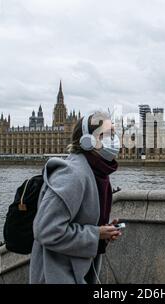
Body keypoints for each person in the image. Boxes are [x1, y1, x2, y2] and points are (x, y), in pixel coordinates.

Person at [29, 111, 122, 284]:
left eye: (114, 134)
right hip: (55, 276)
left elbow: (81, 223)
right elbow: (46, 231)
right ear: (88, 141)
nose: (114, 139)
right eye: (106, 134)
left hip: (79, 272)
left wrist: (103, 232)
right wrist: (95, 234)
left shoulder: (98, 174)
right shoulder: (72, 174)